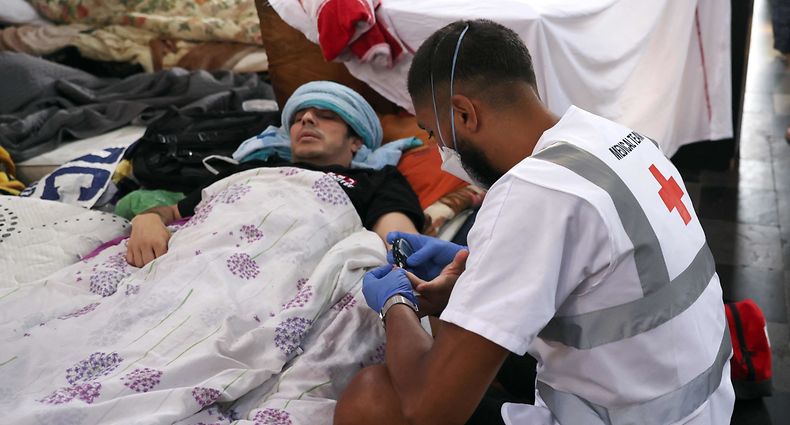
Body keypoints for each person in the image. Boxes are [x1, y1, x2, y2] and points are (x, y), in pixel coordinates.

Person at [334, 19, 734, 425]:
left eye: (434, 133)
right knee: (453, 326)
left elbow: (430, 409)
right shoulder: (611, 136)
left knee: (370, 398)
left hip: (626, 417)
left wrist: (394, 303)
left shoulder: (531, 192)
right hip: (702, 403)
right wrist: (474, 266)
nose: (441, 151)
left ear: (464, 113)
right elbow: (609, 267)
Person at [126, 81, 423, 267]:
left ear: (356, 140)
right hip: (198, 258)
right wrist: (148, 220)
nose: (306, 119)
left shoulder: (375, 179)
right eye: (298, 118)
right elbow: (173, 210)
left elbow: (399, 244)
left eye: (327, 115)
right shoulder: (253, 169)